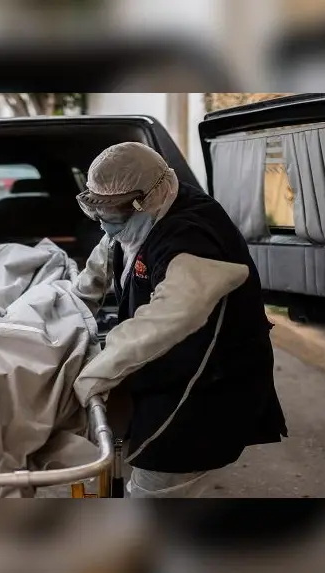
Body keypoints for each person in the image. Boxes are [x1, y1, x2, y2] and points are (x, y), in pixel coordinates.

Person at [70, 142, 288, 498]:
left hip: (205, 381)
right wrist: (71, 307)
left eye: (118, 211)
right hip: (167, 369)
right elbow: (107, 255)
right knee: (137, 462)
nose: (108, 221)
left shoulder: (192, 236)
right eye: (101, 210)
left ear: (149, 198)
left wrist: (96, 373)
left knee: (160, 483)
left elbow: (166, 319)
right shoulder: (141, 217)